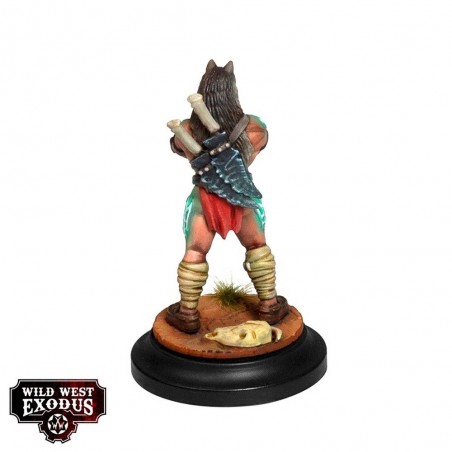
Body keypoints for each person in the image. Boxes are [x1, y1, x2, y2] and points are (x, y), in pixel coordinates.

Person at [166, 60, 289, 333]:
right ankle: (269, 304)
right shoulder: (254, 129)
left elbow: (176, 145)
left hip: (205, 200)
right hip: (241, 198)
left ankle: (187, 312)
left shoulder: (187, 129)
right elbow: (260, 143)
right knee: (256, 246)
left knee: (195, 251)